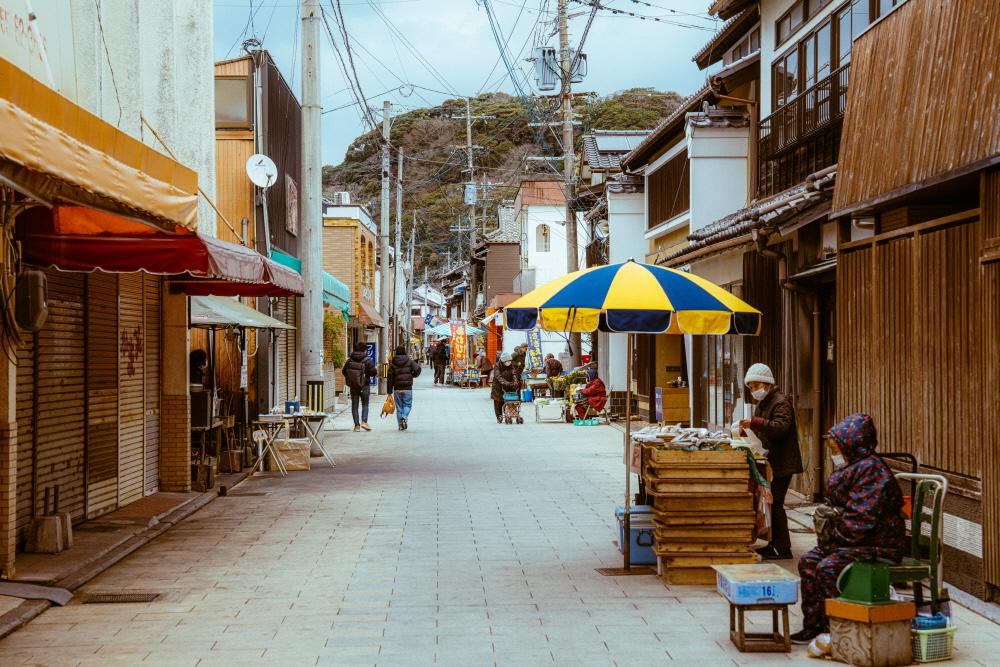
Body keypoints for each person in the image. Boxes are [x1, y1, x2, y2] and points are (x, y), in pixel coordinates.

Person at [791, 413, 906, 644]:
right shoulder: (855, 467)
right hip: (852, 542)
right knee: (807, 562)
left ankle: (835, 630)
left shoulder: (873, 471)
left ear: (852, 445)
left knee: (827, 568)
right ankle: (814, 626)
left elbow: (861, 521)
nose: (834, 455)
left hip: (878, 545)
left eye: (836, 449)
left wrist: (833, 542)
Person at [738, 363, 804, 561]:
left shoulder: (781, 402)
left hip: (783, 462)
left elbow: (781, 427)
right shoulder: (765, 402)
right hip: (771, 459)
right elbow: (764, 427)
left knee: (776, 504)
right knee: (769, 503)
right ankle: (774, 544)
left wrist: (755, 423)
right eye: (750, 387)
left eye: (756, 385)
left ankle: (783, 548)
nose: (753, 390)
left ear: (767, 384)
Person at [342, 343, 377, 431]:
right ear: (365, 350)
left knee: (354, 405)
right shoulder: (367, 360)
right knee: (365, 404)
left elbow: (344, 371)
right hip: (364, 385)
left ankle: (356, 426)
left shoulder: (350, 360)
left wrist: (352, 378)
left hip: (353, 385)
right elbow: (373, 373)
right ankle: (364, 422)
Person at [387, 345, 421, 430]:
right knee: (407, 405)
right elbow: (418, 368)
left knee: (399, 406)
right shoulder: (409, 361)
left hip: (397, 388)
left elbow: (389, 377)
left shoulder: (393, 362)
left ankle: (400, 426)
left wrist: (389, 391)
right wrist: (413, 375)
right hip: (407, 387)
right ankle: (404, 416)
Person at [491, 352, 520, 423]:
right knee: (498, 401)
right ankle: (498, 416)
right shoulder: (497, 366)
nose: (509, 362)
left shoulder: (511, 366)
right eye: (507, 361)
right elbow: (498, 376)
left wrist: (515, 381)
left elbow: (514, 374)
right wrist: (504, 382)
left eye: (510, 361)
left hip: (508, 386)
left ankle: (508, 414)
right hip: (498, 386)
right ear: (503, 361)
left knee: (508, 401)